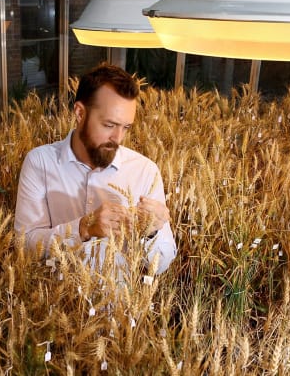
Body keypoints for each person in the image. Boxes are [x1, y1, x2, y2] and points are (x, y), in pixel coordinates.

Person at [14, 63, 177, 275]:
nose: (118, 138)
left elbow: (160, 264)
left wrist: (151, 232)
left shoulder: (145, 171)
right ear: (80, 113)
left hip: (121, 306)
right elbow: (24, 245)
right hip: (53, 303)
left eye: (126, 127)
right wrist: (84, 227)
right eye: (109, 125)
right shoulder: (40, 163)